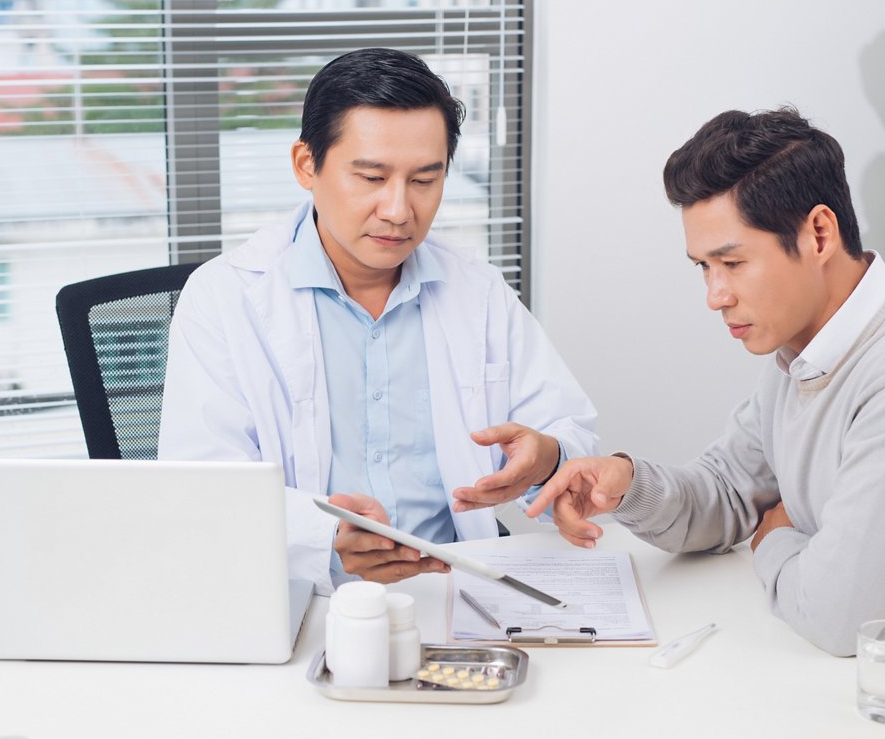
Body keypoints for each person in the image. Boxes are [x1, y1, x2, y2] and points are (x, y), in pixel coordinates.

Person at [527, 108, 885, 721]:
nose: (715, 296)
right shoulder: (800, 349)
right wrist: (627, 483)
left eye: (732, 264)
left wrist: (774, 535)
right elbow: (727, 492)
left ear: (819, 234)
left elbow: (842, 615)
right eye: (703, 268)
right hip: (858, 699)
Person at [159, 48, 598, 595]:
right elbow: (201, 490)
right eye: (371, 176)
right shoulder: (225, 298)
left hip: (455, 591)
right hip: (304, 598)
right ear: (306, 165)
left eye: (424, 180)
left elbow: (568, 432)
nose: (398, 209)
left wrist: (546, 456)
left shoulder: (476, 289)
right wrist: (324, 536)